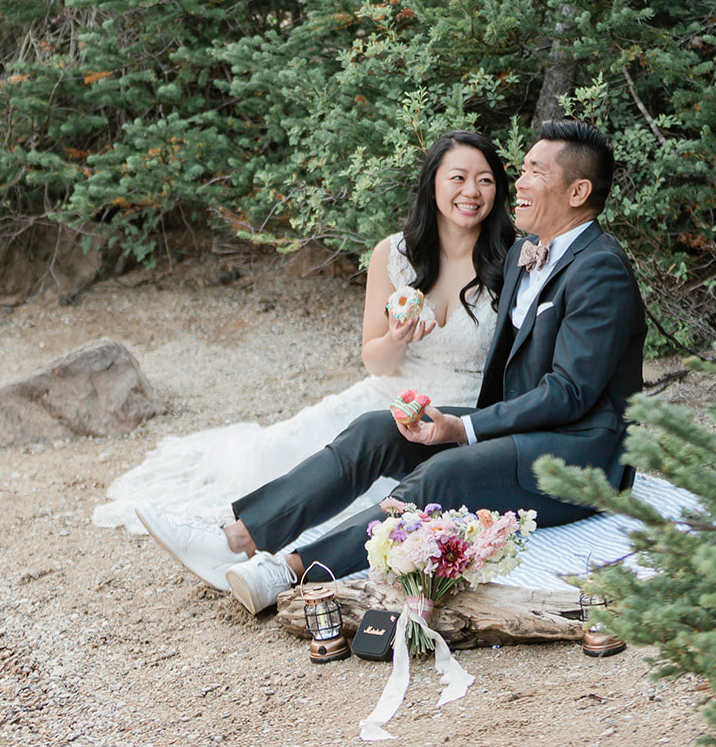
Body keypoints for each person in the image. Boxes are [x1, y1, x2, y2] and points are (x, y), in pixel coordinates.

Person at [137, 119, 647, 621]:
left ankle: (291, 571)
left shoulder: (599, 267)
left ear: (578, 190)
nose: (520, 180)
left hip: (581, 457)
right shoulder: (524, 253)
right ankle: (237, 540)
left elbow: (570, 392)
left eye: (535, 170)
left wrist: (465, 430)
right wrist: (456, 422)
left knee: (445, 473)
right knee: (378, 428)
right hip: (520, 433)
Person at [94, 129, 516, 539]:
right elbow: (375, 360)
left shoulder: (513, 261)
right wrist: (398, 338)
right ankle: (238, 530)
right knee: (275, 453)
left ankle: (257, 539)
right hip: (388, 393)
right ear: (433, 184)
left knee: (381, 501)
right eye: (457, 178)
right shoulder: (394, 254)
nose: (471, 192)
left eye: (485, 180)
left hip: (457, 412)